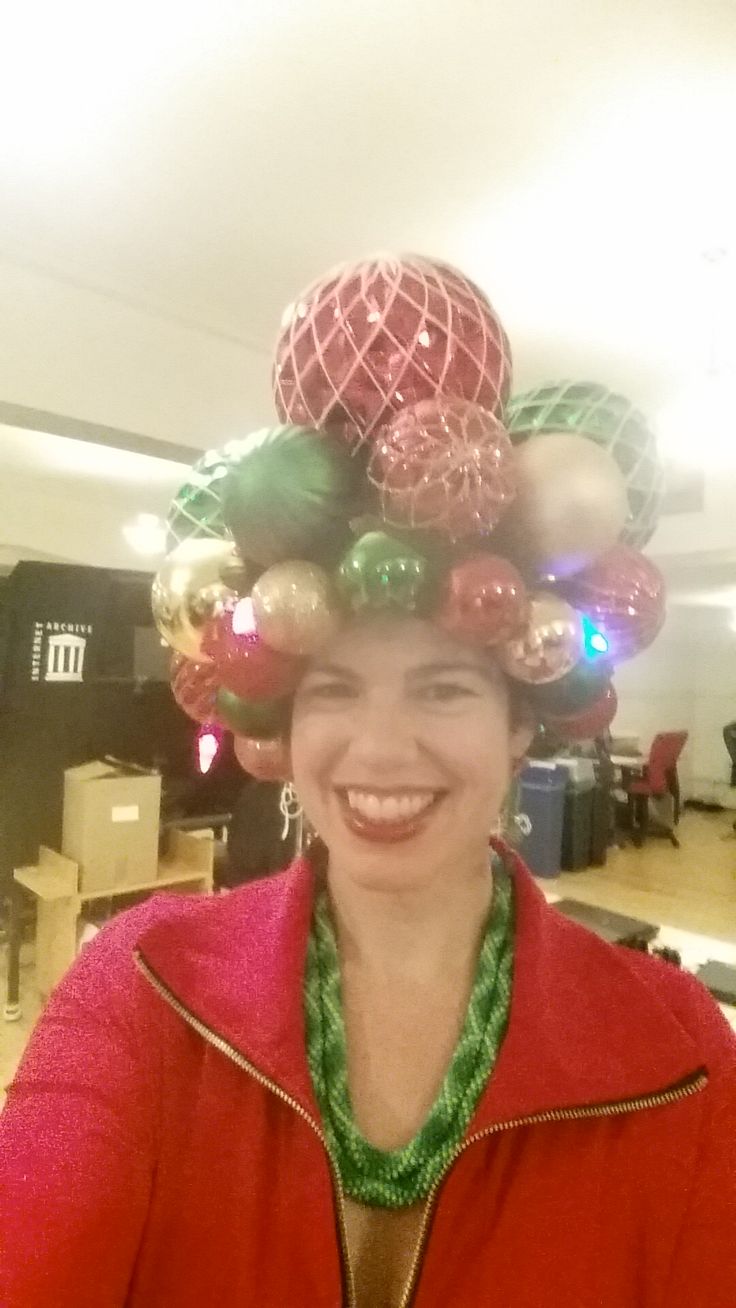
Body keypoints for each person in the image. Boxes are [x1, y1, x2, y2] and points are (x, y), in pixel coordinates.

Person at [2, 254, 736, 1306]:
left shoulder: (679, 1055)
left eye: (442, 690)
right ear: (282, 721)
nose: (379, 749)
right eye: (334, 691)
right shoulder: (143, 988)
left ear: (522, 724)